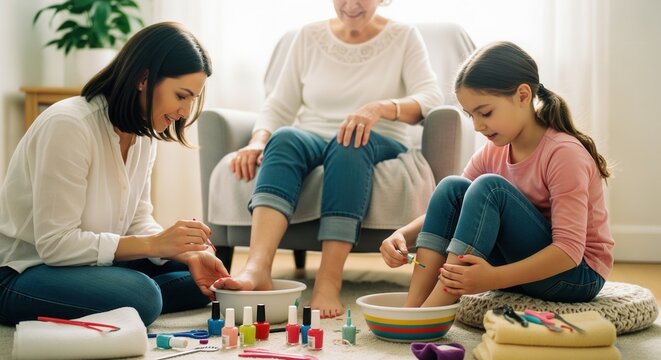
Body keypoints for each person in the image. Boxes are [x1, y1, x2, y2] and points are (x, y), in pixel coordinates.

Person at [213, 0, 443, 318]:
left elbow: (430, 97)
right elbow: (280, 104)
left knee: (348, 141)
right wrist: (257, 139)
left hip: (379, 139)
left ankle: (328, 281)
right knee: (285, 138)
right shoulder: (309, 36)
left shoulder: (404, 36)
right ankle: (257, 268)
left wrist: (379, 108)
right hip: (314, 135)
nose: (350, 4)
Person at [0, 22, 229, 326]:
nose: (185, 112)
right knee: (144, 296)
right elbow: (55, 244)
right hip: (25, 271)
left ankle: (118, 294)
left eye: (192, 99)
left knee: (204, 277)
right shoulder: (69, 125)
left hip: (84, 265)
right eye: (181, 96)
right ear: (143, 79)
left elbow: (137, 220)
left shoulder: (145, 134)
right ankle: (129, 295)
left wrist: (185, 253)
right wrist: (157, 245)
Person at [380, 41, 614, 307]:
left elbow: (569, 251)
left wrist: (493, 278)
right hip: (519, 266)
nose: (479, 126)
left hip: (575, 275)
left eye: (486, 112)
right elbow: (451, 206)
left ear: (523, 95)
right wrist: (401, 235)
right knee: (452, 187)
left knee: (490, 187)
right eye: (471, 116)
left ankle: (434, 308)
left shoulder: (564, 153)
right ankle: (415, 305)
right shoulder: (493, 151)